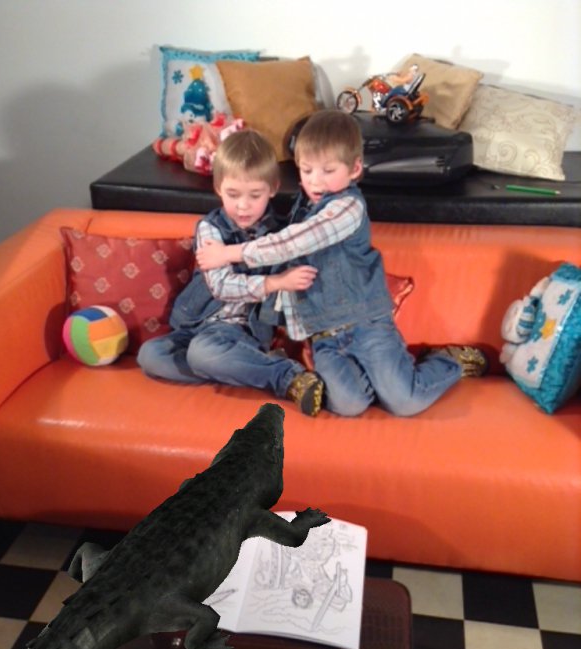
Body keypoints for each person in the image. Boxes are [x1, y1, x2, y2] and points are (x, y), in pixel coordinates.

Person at [196, 109, 487, 418]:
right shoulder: (301, 208)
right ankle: (386, 380)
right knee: (349, 405)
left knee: (405, 402)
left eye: (328, 170)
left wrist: (230, 253)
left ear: (355, 168)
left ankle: (447, 361)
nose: (315, 181)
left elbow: (295, 242)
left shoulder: (347, 208)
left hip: (367, 325)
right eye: (306, 170)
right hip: (325, 337)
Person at [137, 129, 324, 416]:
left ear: (272, 188)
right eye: (233, 194)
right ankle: (244, 367)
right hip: (196, 323)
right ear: (218, 188)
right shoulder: (210, 229)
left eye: (254, 195)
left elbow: (309, 227)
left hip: (240, 331)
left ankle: (286, 376)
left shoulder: (278, 235)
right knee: (150, 355)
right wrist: (274, 282)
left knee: (202, 353)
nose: (243, 205)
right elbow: (221, 286)